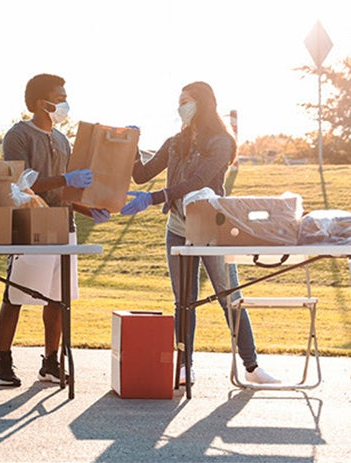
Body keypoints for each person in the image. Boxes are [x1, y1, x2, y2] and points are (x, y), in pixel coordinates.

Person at [119, 81, 280, 386]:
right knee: (183, 300)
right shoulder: (175, 142)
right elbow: (141, 174)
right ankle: (185, 366)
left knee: (228, 296)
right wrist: (131, 145)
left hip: (212, 230)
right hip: (178, 229)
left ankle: (252, 366)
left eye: (186, 101)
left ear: (203, 103)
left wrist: (152, 198)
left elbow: (197, 180)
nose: (181, 107)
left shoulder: (221, 142)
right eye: (179, 101)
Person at [0, 74, 109, 387]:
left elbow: (66, 192)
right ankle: (2, 362)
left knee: (58, 298)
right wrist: (64, 180)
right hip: (30, 224)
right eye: (60, 96)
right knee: (15, 293)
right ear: (42, 102)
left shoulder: (62, 139)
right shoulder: (18, 135)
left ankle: (50, 362)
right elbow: (20, 184)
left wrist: (87, 209)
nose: (65, 101)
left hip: (63, 225)